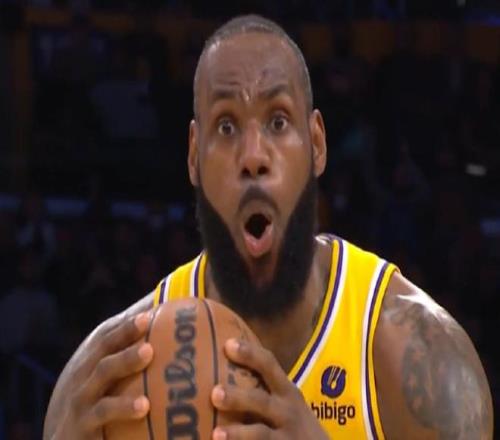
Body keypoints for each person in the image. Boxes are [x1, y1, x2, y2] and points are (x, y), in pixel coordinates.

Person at [44, 15, 493, 439]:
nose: (253, 156)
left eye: (278, 121)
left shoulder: (420, 360)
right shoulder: (110, 375)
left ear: (317, 143)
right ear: (194, 155)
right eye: (226, 127)